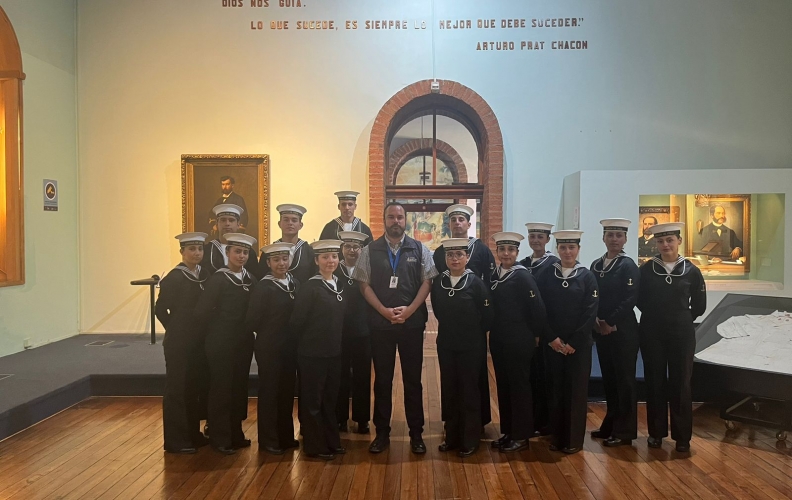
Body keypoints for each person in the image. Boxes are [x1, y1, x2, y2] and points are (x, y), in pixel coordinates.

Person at [352, 202, 438, 455]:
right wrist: (382, 310)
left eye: (400, 217)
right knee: (383, 380)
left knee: (413, 381)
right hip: (381, 324)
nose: (396, 221)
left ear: (406, 220)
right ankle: (381, 433)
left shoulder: (419, 248)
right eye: (391, 217)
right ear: (384, 220)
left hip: (411, 324)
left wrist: (410, 310)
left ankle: (416, 433)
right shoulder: (370, 250)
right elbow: (363, 284)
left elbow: (427, 281)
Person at [637, 222, 706, 453]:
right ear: (656, 243)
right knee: (654, 381)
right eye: (660, 241)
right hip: (652, 332)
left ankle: (682, 437)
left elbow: (699, 305)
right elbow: (639, 299)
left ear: (679, 241)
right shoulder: (646, 270)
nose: (665, 245)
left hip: (681, 334)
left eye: (670, 240)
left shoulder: (691, 270)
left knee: (681, 383)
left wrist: (678, 319)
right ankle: (656, 433)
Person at [432, 204, 496, 432]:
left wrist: (479, 324)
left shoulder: (482, 250)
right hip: (450, 329)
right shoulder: (441, 252)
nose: (458, 223)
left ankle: (475, 424)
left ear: (469, 224)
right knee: (451, 382)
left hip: (473, 329)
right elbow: (439, 295)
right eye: (453, 220)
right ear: (449, 224)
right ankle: (453, 424)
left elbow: (489, 285)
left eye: (462, 220)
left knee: (473, 381)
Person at [194, 232, 257, 455]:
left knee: (238, 387)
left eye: (245, 252)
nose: (241, 256)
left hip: (243, 342)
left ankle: (235, 432)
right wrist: (216, 331)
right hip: (221, 341)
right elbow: (202, 312)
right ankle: (219, 436)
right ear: (227, 253)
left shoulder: (250, 279)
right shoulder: (218, 279)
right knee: (221, 388)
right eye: (237, 251)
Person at [488, 231, 550, 453]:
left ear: (517, 252)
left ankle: (521, 435)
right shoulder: (494, 274)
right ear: (497, 252)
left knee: (519, 387)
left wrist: (535, 335)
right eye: (502, 250)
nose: (506, 254)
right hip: (499, 339)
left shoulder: (523, 276)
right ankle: (508, 432)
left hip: (519, 339)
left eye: (511, 250)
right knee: (503, 386)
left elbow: (538, 309)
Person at [542, 230, 599, 455]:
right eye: (563, 248)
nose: (567, 252)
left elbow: (590, 312)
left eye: (571, 248)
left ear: (578, 250)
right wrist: (552, 338)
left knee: (575, 392)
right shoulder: (547, 274)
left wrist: (574, 341)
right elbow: (541, 309)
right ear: (557, 249)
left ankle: (574, 440)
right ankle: (557, 437)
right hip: (554, 344)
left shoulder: (587, 276)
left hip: (579, 345)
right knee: (555, 390)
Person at [290, 240, 347, 460]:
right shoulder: (310, 287)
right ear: (316, 261)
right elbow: (297, 322)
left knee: (330, 400)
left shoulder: (338, 284)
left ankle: (332, 441)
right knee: (313, 402)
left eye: (334, 256)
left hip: (334, 353)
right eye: (325, 257)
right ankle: (314, 445)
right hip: (312, 354)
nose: (330, 261)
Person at [156, 232, 211, 454]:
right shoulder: (174, 278)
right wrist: (176, 329)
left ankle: (192, 434)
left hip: (198, 342)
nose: (197, 253)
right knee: (177, 390)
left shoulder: (204, 275)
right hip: (179, 343)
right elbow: (160, 310)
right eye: (192, 249)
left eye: (200, 249)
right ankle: (175, 440)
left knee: (193, 388)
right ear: (182, 252)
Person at [589, 219, 641, 447]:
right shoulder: (596, 265)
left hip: (623, 331)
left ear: (625, 239)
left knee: (624, 381)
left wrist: (610, 321)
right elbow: (592, 296)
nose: (614, 239)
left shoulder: (627, 265)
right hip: (601, 330)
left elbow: (630, 298)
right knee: (610, 380)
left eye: (618, 236)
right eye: (610, 235)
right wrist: (597, 321)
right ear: (603, 238)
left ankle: (625, 432)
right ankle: (610, 425)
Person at [246, 241, 300, 455]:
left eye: (285, 259)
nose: (281, 263)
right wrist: (270, 333)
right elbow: (252, 320)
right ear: (268, 262)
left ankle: (285, 436)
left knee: (286, 391)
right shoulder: (263, 287)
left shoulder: (294, 282)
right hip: (270, 346)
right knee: (270, 392)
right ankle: (269, 440)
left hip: (290, 346)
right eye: (276, 260)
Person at [519, 222, 559, 436]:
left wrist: (543, 331)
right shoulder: (524, 264)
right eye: (532, 236)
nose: (535, 240)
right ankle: (533, 419)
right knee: (531, 376)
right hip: (527, 330)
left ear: (547, 239)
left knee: (547, 376)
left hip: (546, 329)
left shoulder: (553, 264)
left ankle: (547, 422)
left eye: (540, 236)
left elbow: (552, 301)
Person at [334, 231, 372, 434]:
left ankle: (362, 418)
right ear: (342, 249)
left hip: (363, 332)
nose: (352, 250)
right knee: (340, 376)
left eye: (356, 247)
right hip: (339, 332)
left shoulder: (366, 270)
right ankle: (340, 417)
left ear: (361, 250)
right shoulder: (334, 270)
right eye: (347, 246)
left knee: (362, 376)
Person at [260, 204, 317, 285]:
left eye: (294, 220)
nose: (290, 223)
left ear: (300, 225)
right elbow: (261, 277)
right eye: (286, 220)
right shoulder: (269, 251)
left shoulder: (309, 251)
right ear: (279, 224)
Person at [202, 204, 259, 278]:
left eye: (231, 220)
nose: (227, 224)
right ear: (216, 224)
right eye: (223, 220)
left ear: (238, 224)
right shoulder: (207, 250)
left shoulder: (248, 252)